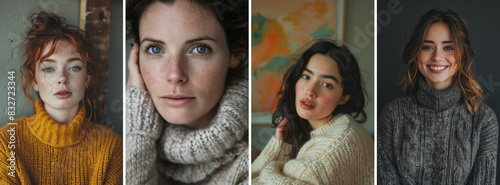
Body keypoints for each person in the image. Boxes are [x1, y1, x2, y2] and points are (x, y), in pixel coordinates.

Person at [125, 0, 248, 184]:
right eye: (155, 49)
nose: (175, 75)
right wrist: (137, 132)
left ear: (234, 54)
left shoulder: (251, 164)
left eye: (200, 49)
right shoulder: (122, 142)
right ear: (136, 57)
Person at [0, 11, 122, 184]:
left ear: (87, 80)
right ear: (34, 81)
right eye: (49, 69)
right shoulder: (7, 143)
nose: (62, 79)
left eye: (74, 67)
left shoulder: (111, 147)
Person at [378, 9, 498, 184]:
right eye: (427, 47)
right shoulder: (392, 115)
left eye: (448, 47)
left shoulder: (483, 120)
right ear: (415, 53)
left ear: (462, 55)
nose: (437, 57)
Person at [251, 39, 374, 184]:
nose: (310, 91)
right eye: (306, 77)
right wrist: (282, 143)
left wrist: (275, 151)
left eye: (326, 84)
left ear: (344, 97)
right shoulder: (344, 129)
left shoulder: (328, 152)